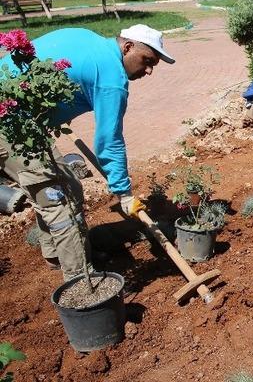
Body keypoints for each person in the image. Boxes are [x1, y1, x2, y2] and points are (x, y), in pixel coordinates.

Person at [0, 24, 173, 281]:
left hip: (20, 115)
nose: (148, 70)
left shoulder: (87, 38)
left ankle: (56, 254)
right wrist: (123, 192)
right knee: (61, 197)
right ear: (127, 47)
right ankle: (81, 281)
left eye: (153, 65)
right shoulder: (112, 77)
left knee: (65, 184)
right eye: (147, 60)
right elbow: (109, 139)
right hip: (9, 121)